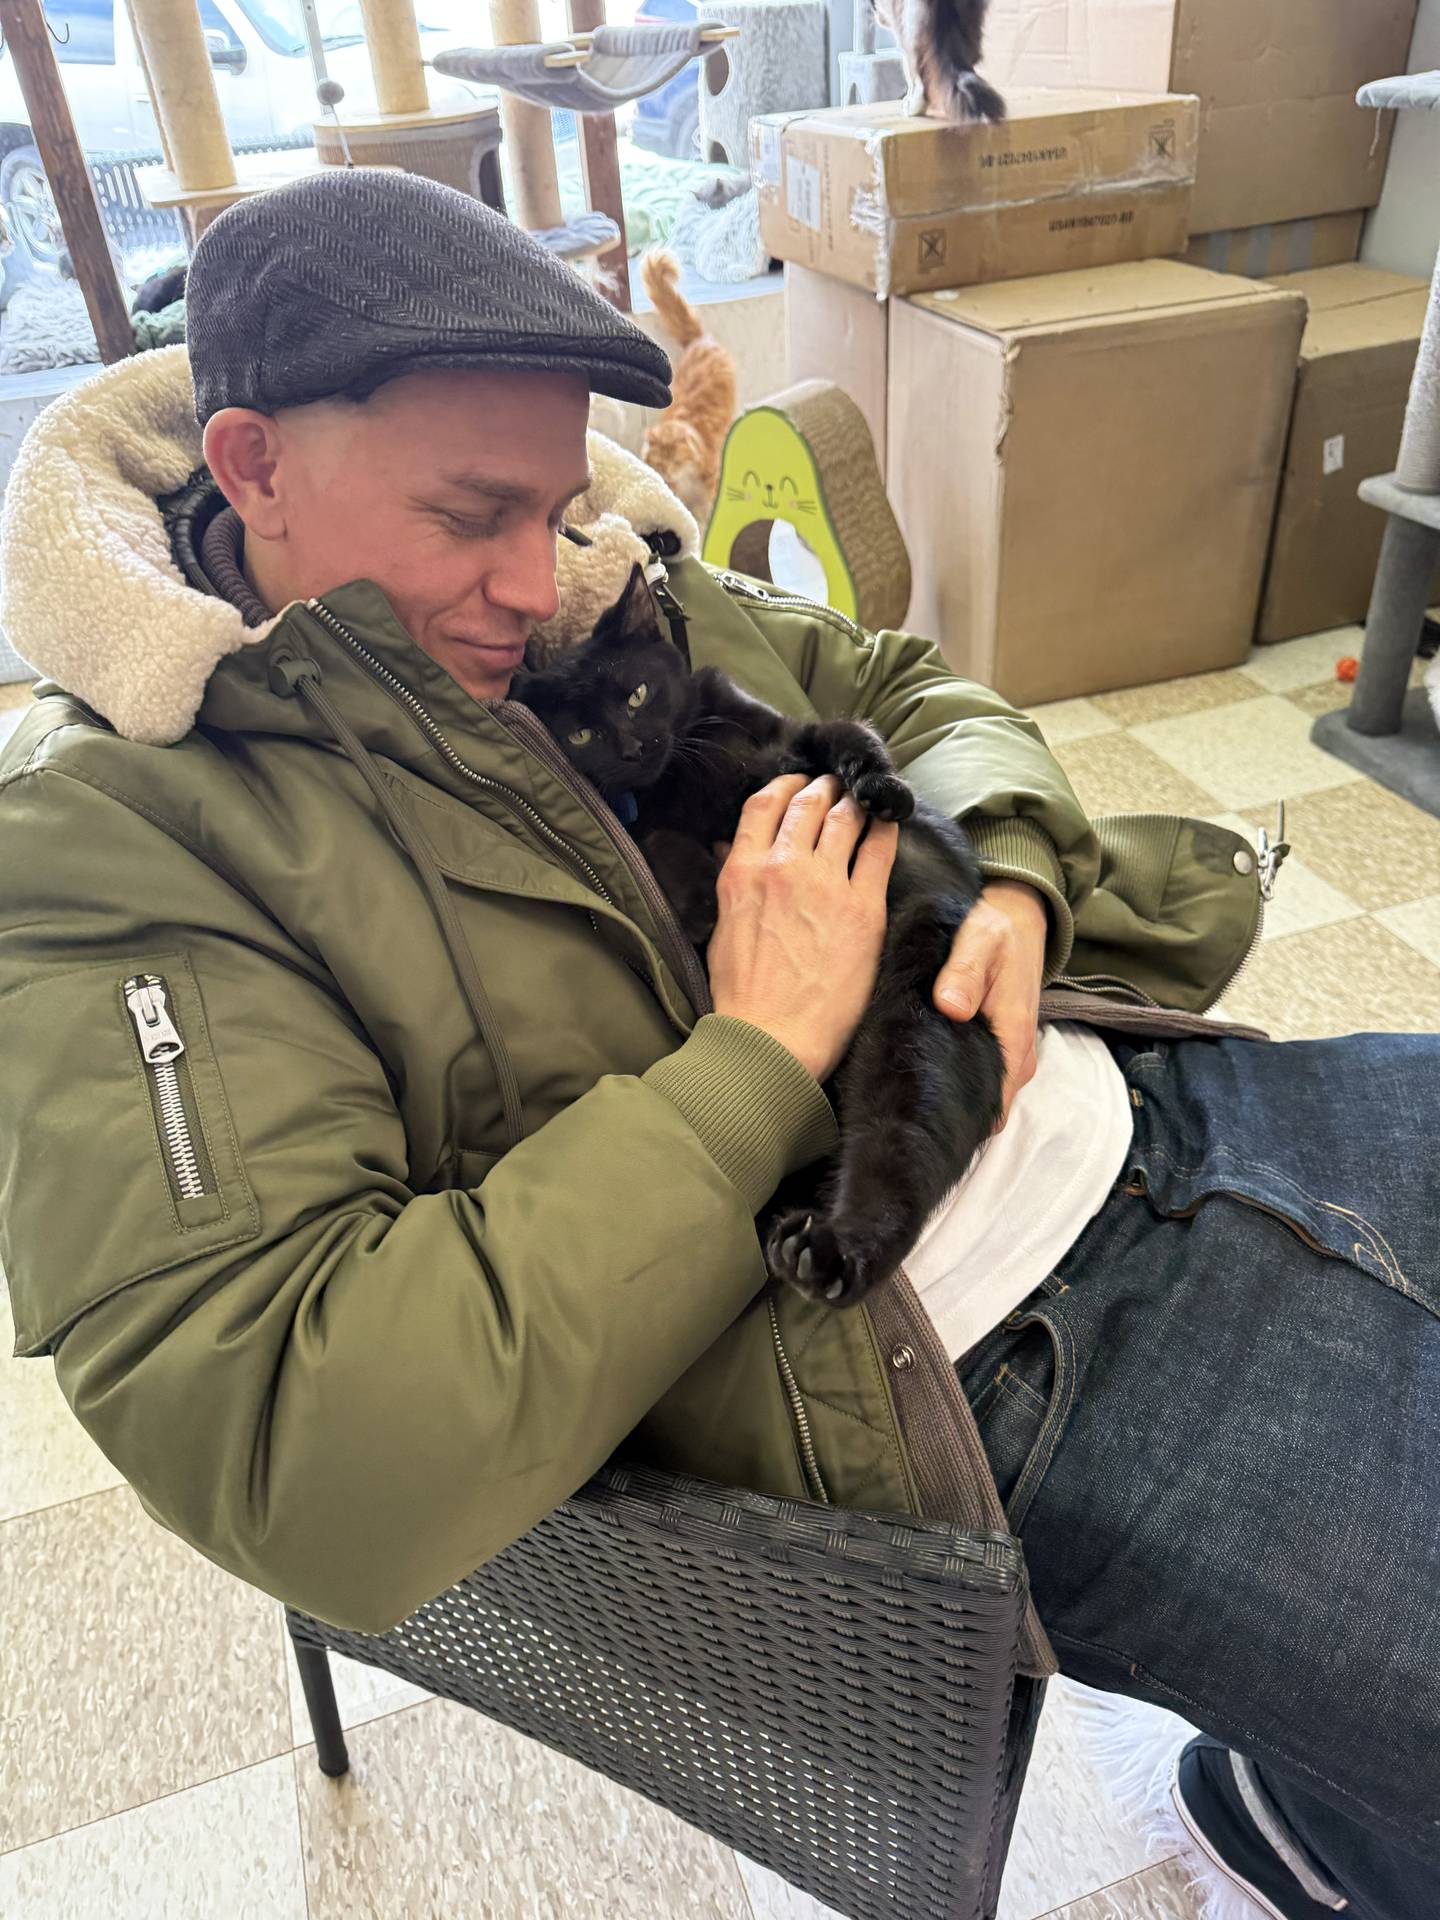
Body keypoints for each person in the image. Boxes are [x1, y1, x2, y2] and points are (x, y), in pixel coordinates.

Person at [0, 169, 1432, 1920]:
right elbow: (294, 1440)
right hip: (966, 1357)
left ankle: (1340, 1811)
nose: (537, 578)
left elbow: (903, 684)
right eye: (472, 514)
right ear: (250, 466)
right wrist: (756, 1057)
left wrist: (1022, 872)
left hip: (1126, 1085)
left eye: (550, 501)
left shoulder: (603, 579)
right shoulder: (116, 857)